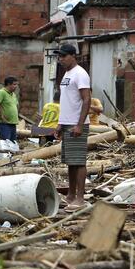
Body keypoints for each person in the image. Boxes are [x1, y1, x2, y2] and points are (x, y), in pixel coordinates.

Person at [54, 44, 91, 212]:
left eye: (63, 56)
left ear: (72, 56)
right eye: (59, 57)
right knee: (70, 162)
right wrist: (61, 123)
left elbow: (86, 99)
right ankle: (70, 195)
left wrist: (79, 124)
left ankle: (80, 199)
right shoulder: (67, 74)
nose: (60, 59)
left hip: (77, 123)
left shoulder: (80, 74)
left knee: (79, 161)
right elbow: (67, 101)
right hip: (67, 122)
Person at [0, 76, 20, 141]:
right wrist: (1, 116)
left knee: (13, 143)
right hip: (4, 123)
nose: (16, 86)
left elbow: (15, 105)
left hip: (12, 123)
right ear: (8, 84)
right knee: (6, 143)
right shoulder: (2, 92)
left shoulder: (13, 94)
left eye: (17, 84)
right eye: (14, 84)